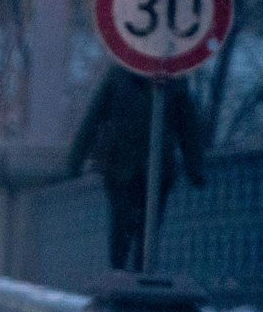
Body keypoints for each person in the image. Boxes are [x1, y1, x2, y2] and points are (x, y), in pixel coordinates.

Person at [66, 65, 208, 271]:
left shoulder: (175, 81)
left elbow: (188, 128)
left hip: (159, 172)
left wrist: (195, 169)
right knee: (121, 227)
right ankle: (119, 277)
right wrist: (74, 162)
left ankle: (141, 279)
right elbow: (93, 119)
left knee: (148, 233)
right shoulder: (118, 77)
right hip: (120, 170)